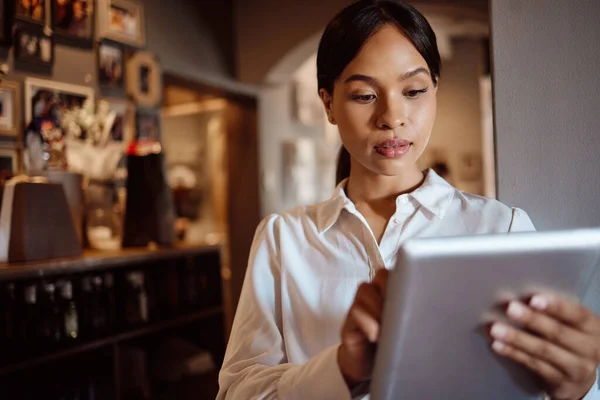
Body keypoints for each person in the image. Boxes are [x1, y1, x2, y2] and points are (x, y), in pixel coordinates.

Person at [217, 1, 600, 399]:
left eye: (414, 91)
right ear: (328, 103)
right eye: (365, 95)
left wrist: (578, 389)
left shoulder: (501, 228)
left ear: (435, 89)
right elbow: (237, 392)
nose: (392, 116)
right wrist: (342, 371)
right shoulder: (283, 238)